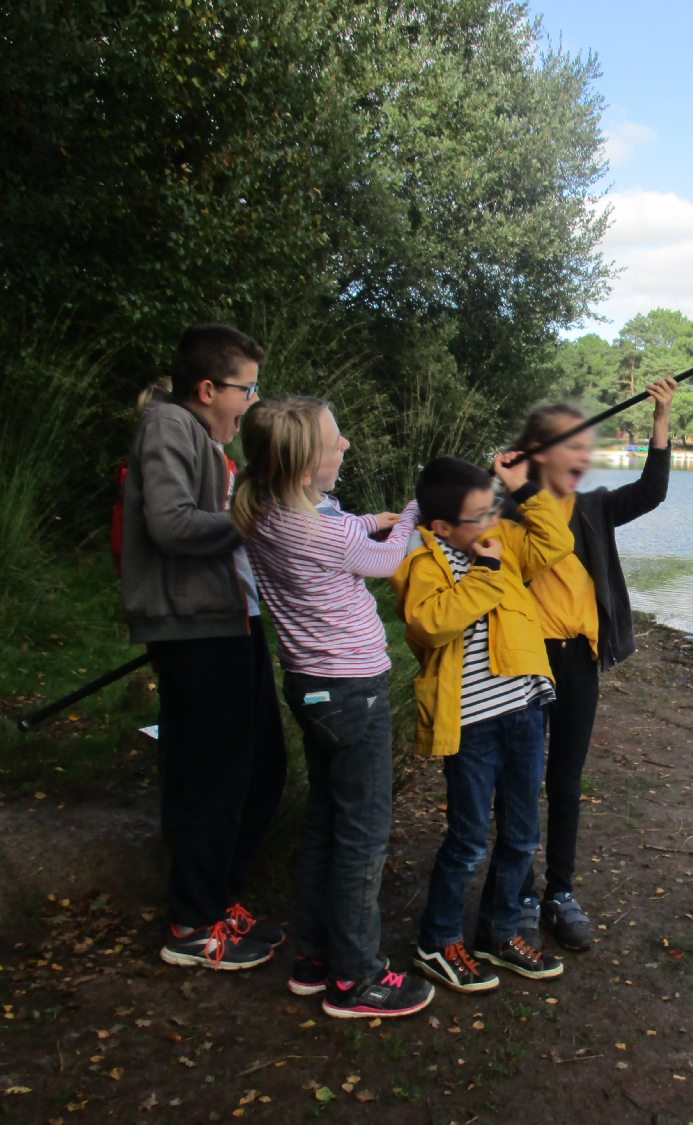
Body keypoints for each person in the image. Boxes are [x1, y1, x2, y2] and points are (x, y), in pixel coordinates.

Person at [233, 395, 434, 1019]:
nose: (344, 447)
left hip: (309, 687)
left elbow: (341, 529)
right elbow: (388, 559)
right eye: (334, 442)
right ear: (300, 469)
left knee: (327, 820)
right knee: (363, 835)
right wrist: (412, 514)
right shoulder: (327, 530)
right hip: (355, 692)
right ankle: (356, 980)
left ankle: (314, 960)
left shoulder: (263, 509)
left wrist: (370, 519)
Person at [120, 323, 287, 970]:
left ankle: (217, 900)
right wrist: (256, 517)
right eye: (246, 388)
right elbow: (169, 523)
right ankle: (192, 924)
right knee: (214, 776)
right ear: (208, 387)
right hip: (195, 627)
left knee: (262, 766)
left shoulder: (203, 438)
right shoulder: (169, 426)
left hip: (230, 619)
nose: (250, 400)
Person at [391, 455, 573, 993]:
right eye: (480, 516)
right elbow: (428, 623)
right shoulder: (424, 562)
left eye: (495, 510)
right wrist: (488, 575)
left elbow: (555, 542)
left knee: (521, 835)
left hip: (523, 709)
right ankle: (438, 940)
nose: (493, 523)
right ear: (443, 527)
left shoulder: (503, 544)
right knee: (468, 839)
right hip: (472, 724)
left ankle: (498, 930)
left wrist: (521, 487)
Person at [509, 377, 676, 950]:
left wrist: (661, 418)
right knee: (522, 780)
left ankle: (559, 891)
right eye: (570, 447)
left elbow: (652, 492)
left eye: (584, 449)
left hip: (578, 661)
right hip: (524, 661)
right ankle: (521, 893)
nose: (581, 458)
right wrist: (507, 477)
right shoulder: (511, 507)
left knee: (566, 779)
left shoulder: (595, 508)